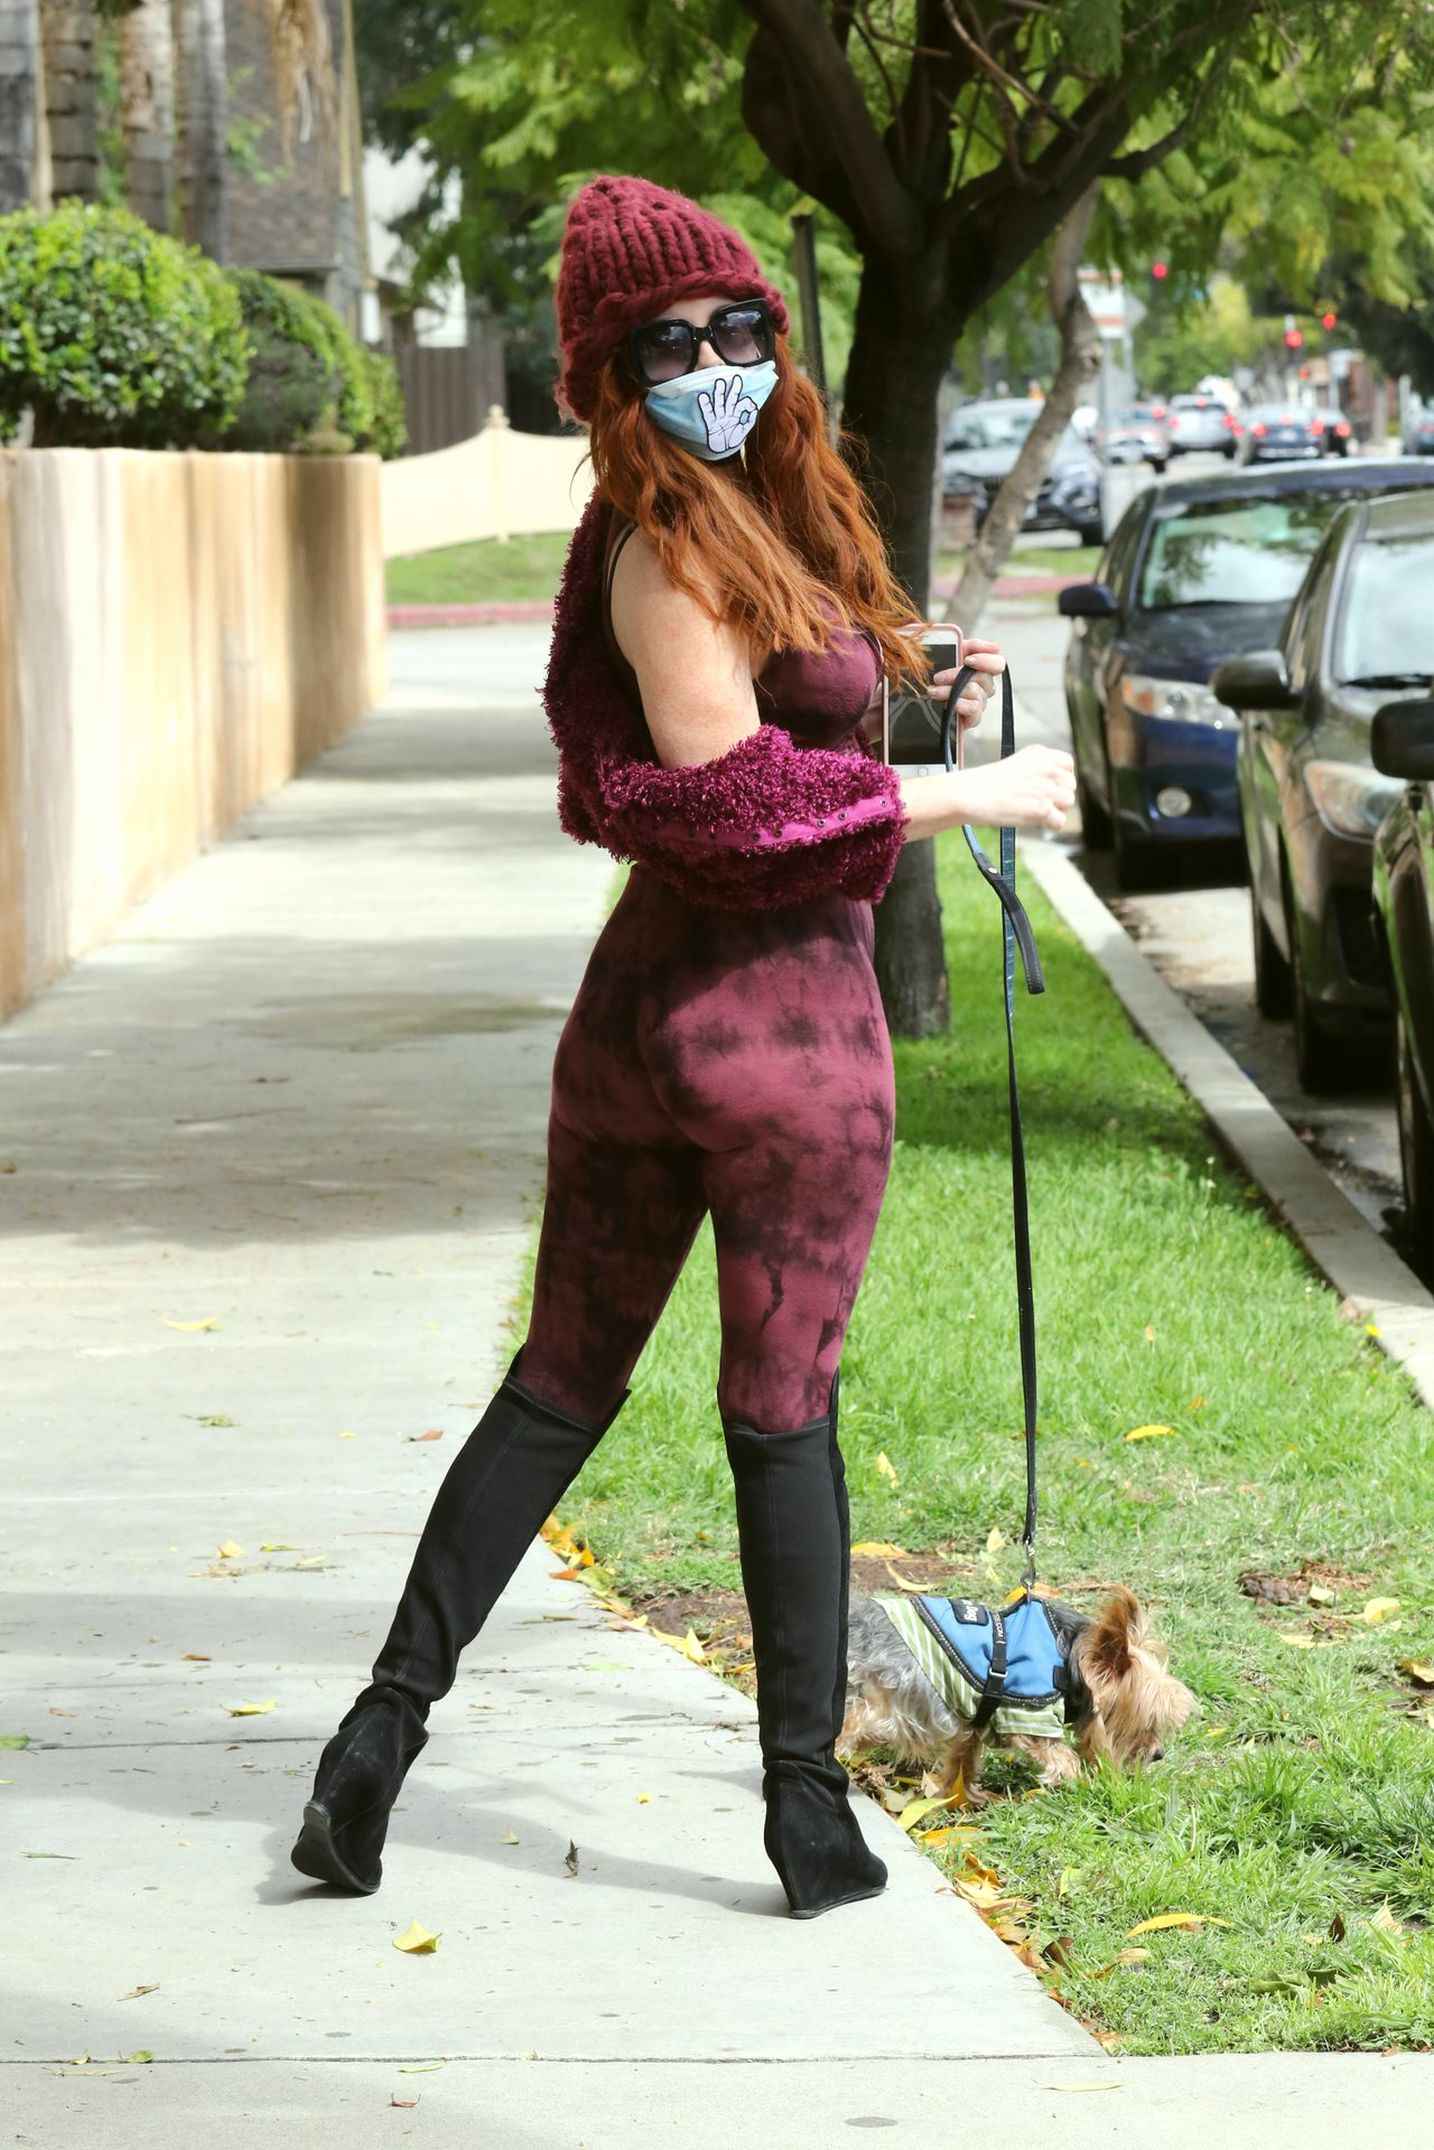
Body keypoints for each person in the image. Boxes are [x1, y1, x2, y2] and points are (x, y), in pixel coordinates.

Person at [291, 176, 1075, 1920]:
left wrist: (906, 691)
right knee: (779, 1412)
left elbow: (783, 722)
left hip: (638, 1024)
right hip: (777, 1036)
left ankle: (373, 1745)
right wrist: (961, 792)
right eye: (670, 345)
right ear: (608, 376)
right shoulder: (664, 541)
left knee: (558, 1386)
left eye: (738, 330)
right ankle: (806, 1812)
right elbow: (726, 799)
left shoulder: (731, 516)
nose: (717, 365)